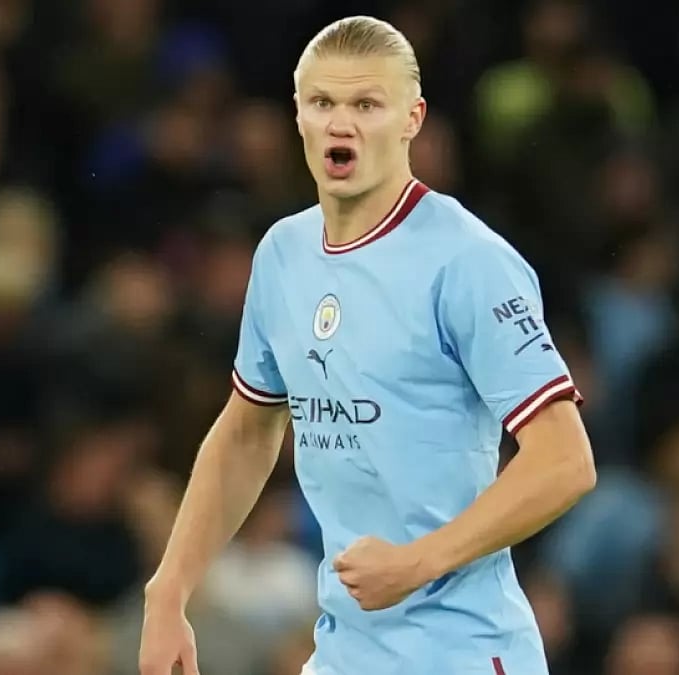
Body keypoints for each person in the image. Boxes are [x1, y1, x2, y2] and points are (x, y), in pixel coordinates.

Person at [138, 16, 596, 675]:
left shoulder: (467, 261)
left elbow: (564, 460)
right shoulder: (283, 256)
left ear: (413, 118)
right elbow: (245, 433)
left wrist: (420, 559)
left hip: (461, 651)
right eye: (323, 102)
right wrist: (169, 587)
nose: (340, 123)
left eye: (365, 104)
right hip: (345, 652)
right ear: (297, 115)